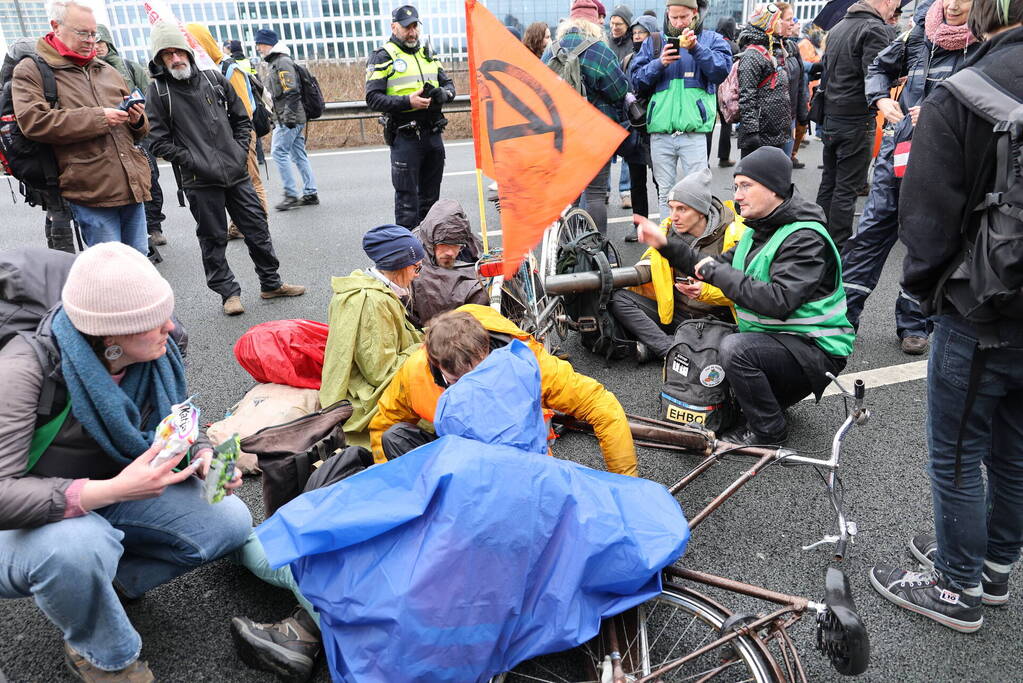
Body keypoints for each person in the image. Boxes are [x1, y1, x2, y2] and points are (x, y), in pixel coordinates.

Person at [0, 242, 252, 681]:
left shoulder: (161, 348)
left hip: (108, 489)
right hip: (28, 521)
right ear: (108, 336)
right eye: (152, 324)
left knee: (229, 522)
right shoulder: (24, 368)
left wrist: (204, 451)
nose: (169, 327)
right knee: (76, 549)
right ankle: (102, 655)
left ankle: (100, 588)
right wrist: (114, 490)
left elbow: (179, 416)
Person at [868, 0, 1023, 633]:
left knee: (958, 452)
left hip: (981, 302)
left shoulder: (968, 89)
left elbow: (925, 215)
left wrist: (929, 295)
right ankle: (993, 568)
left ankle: (956, 586)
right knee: (1014, 450)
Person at [637, 147, 854, 445]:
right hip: (784, 340)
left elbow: (778, 301)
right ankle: (769, 405)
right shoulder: (756, 230)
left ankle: (769, 431)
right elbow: (707, 267)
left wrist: (714, 271)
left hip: (817, 350)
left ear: (775, 189)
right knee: (725, 344)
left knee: (736, 349)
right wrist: (665, 245)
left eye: (746, 186)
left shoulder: (805, 237)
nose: (737, 195)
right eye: (736, 186)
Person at [841, 0, 979, 356]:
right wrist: (880, 101)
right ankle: (842, 319)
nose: (950, 5)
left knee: (927, 241)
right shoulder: (918, 33)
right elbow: (878, 68)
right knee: (871, 233)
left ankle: (914, 324)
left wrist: (940, 117)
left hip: (946, 162)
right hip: (898, 154)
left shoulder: (986, 41)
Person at [145, 22, 305, 316]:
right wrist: (195, 161)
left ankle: (271, 282)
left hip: (235, 172)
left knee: (257, 228)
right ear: (160, 60)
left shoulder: (214, 79)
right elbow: (157, 141)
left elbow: (241, 118)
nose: (175, 59)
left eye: (178, 51)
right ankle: (228, 293)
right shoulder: (159, 92)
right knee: (213, 237)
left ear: (189, 52)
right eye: (167, 55)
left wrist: (238, 151)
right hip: (199, 180)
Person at [369, 306, 639, 476]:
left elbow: (603, 407)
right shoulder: (414, 372)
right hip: (461, 472)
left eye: (480, 375)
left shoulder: (529, 361)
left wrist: (628, 486)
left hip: (524, 473)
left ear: (487, 349)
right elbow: (385, 425)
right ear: (436, 364)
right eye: (458, 382)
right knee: (395, 437)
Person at [12, 0, 152, 255]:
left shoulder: (107, 69)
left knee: (139, 267)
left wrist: (137, 119)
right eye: (82, 33)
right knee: (109, 274)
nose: (91, 40)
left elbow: (139, 131)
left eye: (93, 33)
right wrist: (99, 118)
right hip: (90, 191)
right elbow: (34, 122)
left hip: (132, 186)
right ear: (56, 26)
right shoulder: (32, 69)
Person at [611, 167, 744, 361]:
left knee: (732, 347)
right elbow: (649, 259)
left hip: (716, 320)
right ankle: (669, 350)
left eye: (682, 209)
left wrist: (704, 291)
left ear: (701, 211)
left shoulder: (734, 234)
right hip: (677, 315)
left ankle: (669, 349)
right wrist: (628, 274)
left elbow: (746, 291)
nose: (673, 216)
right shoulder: (668, 229)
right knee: (618, 298)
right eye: (671, 207)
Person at [319, 224, 425, 445]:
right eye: (417, 267)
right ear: (399, 266)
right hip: (364, 400)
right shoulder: (372, 302)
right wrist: (424, 346)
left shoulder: (367, 285)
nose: (417, 275)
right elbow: (380, 373)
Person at [630, 0, 732, 220]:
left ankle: (698, 242)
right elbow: (636, 80)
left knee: (697, 192)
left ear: (694, 14)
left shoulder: (711, 39)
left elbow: (721, 71)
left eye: (683, 17)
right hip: (660, 131)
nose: (678, 23)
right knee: (665, 193)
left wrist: (696, 49)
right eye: (673, 17)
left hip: (693, 132)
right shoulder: (653, 42)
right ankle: (667, 244)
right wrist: (659, 63)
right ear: (667, 14)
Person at [813, 0, 898, 251]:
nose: (894, 11)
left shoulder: (839, 27)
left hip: (831, 115)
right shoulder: (873, 29)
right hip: (855, 117)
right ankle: (837, 248)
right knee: (846, 189)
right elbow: (875, 75)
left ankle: (816, 237)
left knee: (830, 182)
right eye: (894, 5)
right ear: (887, 1)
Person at [543, 0, 630, 236]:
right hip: (594, 135)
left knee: (568, 195)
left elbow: (539, 90)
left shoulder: (552, 49)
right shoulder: (599, 50)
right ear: (593, 23)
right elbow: (619, 90)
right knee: (595, 194)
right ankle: (595, 249)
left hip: (560, 135)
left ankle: (566, 249)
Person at [365, 5, 457, 229]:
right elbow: (372, 98)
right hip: (405, 136)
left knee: (431, 204)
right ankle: (408, 258)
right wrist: (408, 101)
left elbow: (449, 86)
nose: (412, 32)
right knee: (408, 205)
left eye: (415, 26)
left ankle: (429, 257)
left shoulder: (427, 54)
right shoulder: (383, 56)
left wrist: (442, 94)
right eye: (407, 27)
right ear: (394, 27)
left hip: (433, 135)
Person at [186, 23, 272, 231]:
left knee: (250, 178)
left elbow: (244, 109)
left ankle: (258, 224)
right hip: (222, 136)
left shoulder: (228, 67)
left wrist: (237, 139)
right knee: (234, 182)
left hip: (240, 133)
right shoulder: (204, 68)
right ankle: (239, 224)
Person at [95, 24, 167, 248]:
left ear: (109, 43)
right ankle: (131, 233)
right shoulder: (86, 72)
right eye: (94, 42)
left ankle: (154, 226)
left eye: (101, 42)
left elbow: (150, 98)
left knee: (149, 179)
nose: (97, 47)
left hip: (138, 132)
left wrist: (145, 122)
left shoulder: (128, 66)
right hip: (107, 136)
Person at [1, 38, 75, 253]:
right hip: (41, 156)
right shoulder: (21, 84)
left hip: (26, 160)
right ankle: (64, 265)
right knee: (60, 208)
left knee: (52, 208)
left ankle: (54, 257)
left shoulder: (6, 85)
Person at [253, 28, 319, 211]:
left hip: (290, 118)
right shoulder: (276, 62)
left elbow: (291, 91)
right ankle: (310, 192)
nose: (258, 48)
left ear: (269, 43)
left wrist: (288, 118)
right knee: (298, 155)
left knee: (279, 153)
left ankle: (291, 195)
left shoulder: (282, 62)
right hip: (292, 117)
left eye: (260, 44)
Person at [409, 199, 488, 325]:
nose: (450, 252)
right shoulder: (417, 253)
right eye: (444, 244)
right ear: (431, 241)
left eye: (456, 245)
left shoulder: (463, 238)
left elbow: (483, 255)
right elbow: (437, 295)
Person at [622, 13, 662, 237]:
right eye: (635, 33)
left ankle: (669, 223)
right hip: (634, 127)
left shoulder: (661, 58)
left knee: (660, 180)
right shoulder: (627, 59)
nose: (637, 37)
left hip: (653, 125)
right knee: (636, 182)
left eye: (642, 33)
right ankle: (641, 227)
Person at [736, 4, 793, 158]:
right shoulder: (752, 55)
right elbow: (747, 96)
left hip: (775, 132)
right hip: (760, 135)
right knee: (753, 179)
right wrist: (752, 131)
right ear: (768, 24)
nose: (781, 22)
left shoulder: (773, 48)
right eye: (777, 20)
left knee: (773, 179)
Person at [608, 4, 635, 209]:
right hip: (609, 103)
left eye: (619, 23)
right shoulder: (606, 42)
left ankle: (625, 192)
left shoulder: (632, 44)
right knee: (606, 151)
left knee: (628, 151)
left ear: (627, 25)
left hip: (627, 103)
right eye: (612, 23)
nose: (614, 26)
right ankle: (605, 190)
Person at [776, 3, 809, 161]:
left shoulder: (791, 46)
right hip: (770, 124)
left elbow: (801, 83)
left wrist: (802, 116)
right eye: (789, 19)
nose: (793, 23)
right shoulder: (763, 47)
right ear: (776, 20)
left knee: (784, 170)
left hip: (791, 118)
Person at [715, 16, 739, 168]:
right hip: (726, 90)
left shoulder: (712, 41)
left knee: (709, 125)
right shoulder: (733, 46)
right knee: (726, 123)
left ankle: (704, 162)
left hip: (711, 88)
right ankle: (724, 157)